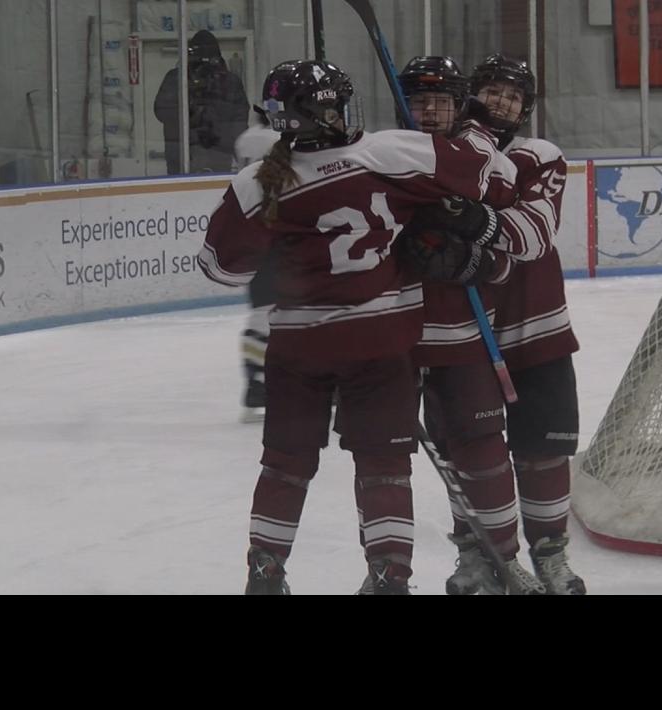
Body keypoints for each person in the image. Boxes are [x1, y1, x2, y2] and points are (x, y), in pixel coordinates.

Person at [198, 59, 518, 595]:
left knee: (285, 464)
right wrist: (473, 128)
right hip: (381, 342)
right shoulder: (392, 152)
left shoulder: (257, 184)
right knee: (384, 464)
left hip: (299, 348)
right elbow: (497, 179)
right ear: (328, 111)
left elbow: (221, 268)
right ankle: (390, 575)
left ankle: (265, 572)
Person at [395, 53, 587, 595]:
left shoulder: (539, 156)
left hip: (534, 326)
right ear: (470, 95)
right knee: (467, 452)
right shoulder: (439, 156)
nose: (502, 100)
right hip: (461, 333)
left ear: (526, 108)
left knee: (542, 448)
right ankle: (479, 557)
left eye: (513, 94)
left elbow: (533, 235)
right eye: (492, 89)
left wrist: (473, 221)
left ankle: (551, 556)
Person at [232, 97, 284, 421]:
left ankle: (255, 380)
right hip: (281, 231)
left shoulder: (244, 140)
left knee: (260, 311)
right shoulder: (281, 141)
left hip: (249, 230)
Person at [154, 30, 248, 174]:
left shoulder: (229, 82)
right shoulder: (176, 79)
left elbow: (239, 120)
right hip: (183, 154)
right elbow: (162, 111)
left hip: (218, 152)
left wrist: (239, 152)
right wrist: (190, 105)